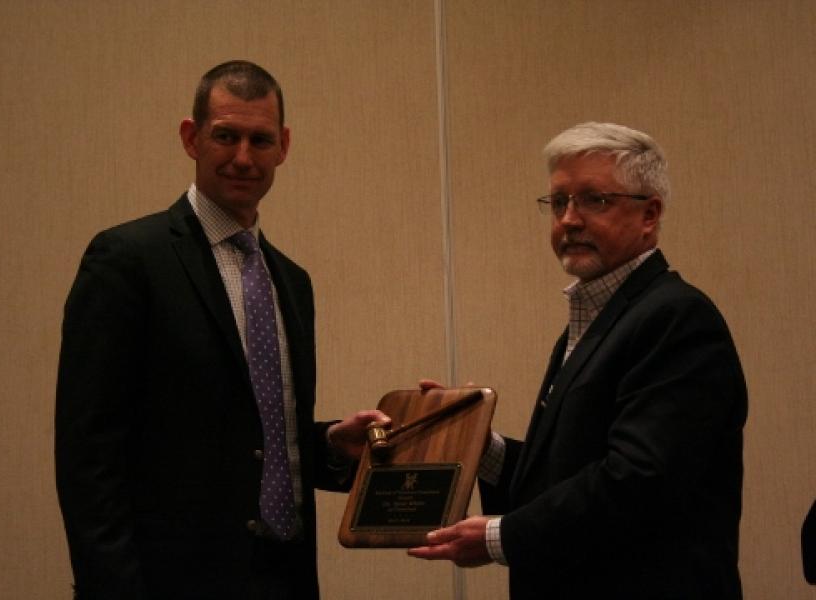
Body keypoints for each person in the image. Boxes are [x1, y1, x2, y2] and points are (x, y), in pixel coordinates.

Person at [55, 60, 387, 600]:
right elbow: (88, 454)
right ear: (191, 138)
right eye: (225, 136)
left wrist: (328, 443)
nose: (242, 157)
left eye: (259, 140)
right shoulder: (126, 261)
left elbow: (257, 436)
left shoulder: (292, 281)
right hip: (168, 582)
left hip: (286, 576)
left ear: (283, 146)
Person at [409, 122, 748, 599]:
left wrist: (499, 537)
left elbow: (637, 481)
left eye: (595, 200)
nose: (569, 219)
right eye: (559, 201)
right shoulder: (599, 317)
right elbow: (568, 471)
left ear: (649, 214)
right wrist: (481, 448)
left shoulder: (677, 317)